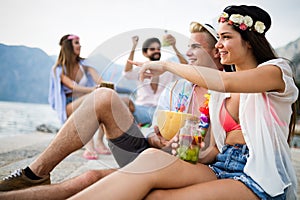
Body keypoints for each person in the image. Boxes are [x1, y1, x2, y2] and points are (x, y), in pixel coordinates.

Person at [65, 5, 298, 200]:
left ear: (249, 41)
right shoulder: (218, 96)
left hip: (259, 176)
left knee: (158, 198)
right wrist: (192, 152)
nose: (218, 44)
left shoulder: (276, 72)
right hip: (221, 166)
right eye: (218, 38)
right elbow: (217, 149)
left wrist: (166, 65)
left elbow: (225, 81)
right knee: (150, 159)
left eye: (226, 37)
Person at [0, 21, 224, 199]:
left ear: (217, 52)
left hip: (180, 165)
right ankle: (34, 173)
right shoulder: (177, 87)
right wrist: (157, 139)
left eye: (195, 46)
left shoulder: (227, 92)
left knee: (89, 177)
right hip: (148, 152)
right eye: (188, 46)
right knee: (103, 96)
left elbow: (221, 150)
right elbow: (156, 128)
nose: (189, 52)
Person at [48, 34, 111, 160]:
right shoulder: (58, 69)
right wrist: (93, 90)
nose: (80, 45)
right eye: (77, 43)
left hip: (86, 99)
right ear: (68, 46)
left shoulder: (85, 66)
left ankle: (99, 141)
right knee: (93, 98)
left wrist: (105, 86)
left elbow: (99, 79)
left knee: (104, 99)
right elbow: (72, 86)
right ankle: (89, 146)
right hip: (68, 105)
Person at [123, 35, 188, 126]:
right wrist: (133, 47)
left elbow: (185, 68)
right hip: (142, 110)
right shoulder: (140, 70)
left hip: (162, 111)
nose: (156, 51)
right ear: (145, 53)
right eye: (152, 49)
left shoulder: (167, 70)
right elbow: (127, 73)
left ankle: (147, 125)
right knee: (125, 101)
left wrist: (174, 46)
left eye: (158, 49)